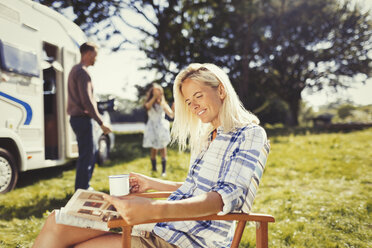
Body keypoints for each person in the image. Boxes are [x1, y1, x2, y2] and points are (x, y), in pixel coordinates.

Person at [33, 63, 269, 248]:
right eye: (188, 101)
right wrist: (150, 184)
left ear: (220, 90)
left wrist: (153, 209)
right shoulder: (207, 136)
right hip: (160, 228)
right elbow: (196, 188)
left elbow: (224, 198)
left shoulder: (250, 134)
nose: (193, 105)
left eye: (198, 96)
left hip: (183, 241)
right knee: (57, 220)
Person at [67, 42, 112, 191]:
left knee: (88, 153)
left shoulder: (75, 70)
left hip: (77, 119)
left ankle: (83, 187)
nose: (96, 59)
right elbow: (87, 101)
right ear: (87, 54)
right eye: (95, 55)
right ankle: (82, 189)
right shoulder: (82, 72)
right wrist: (101, 122)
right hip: (82, 119)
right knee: (88, 154)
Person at [143, 83, 174, 176]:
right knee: (153, 148)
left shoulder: (163, 103)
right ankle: (154, 169)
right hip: (152, 127)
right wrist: (154, 98)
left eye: (159, 91)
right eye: (155, 92)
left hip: (161, 127)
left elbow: (171, 115)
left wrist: (173, 109)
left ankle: (163, 171)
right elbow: (147, 107)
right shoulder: (149, 103)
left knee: (162, 147)